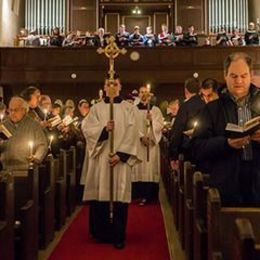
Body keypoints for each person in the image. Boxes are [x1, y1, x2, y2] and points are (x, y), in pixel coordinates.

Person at [192, 52, 260, 206]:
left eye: (243, 75)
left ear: (251, 75)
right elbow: (196, 148)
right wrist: (226, 144)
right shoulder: (211, 109)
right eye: (234, 76)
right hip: (226, 184)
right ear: (225, 75)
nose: (239, 81)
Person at [82, 74, 140, 249]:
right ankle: (101, 233)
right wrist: (103, 130)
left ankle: (118, 235)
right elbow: (86, 128)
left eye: (115, 83)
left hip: (119, 160)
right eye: (109, 84)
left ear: (120, 86)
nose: (112, 86)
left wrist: (121, 155)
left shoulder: (129, 108)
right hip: (102, 159)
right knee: (101, 195)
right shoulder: (96, 108)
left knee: (119, 197)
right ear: (104, 87)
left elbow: (133, 131)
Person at [131, 86, 164, 205]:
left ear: (149, 94)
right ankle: (137, 194)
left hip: (151, 145)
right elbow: (131, 126)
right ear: (138, 95)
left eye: (146, 92)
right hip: (138, 144)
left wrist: (152, 122)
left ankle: (149, 196)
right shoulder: (133, 110)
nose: (144, 94)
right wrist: (141, 137)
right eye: (141, 92)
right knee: (138, 168)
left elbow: (160, 125)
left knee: (149, 168)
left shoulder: (155, 110)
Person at [0, 97, 48, 171]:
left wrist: (36, 157)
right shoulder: (3, 125)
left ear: (24, 110)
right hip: (5, 168)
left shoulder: (33, 125)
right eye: (10, 110)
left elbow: (42, 145)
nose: (12, 113)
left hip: (26, 168)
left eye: (16, 110)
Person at [169, 77, 205, 169]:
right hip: (203, 148)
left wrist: (173, 155)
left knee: (186, 179)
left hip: (187, 149)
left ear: (186, 90)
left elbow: (177, 130)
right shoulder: (205, 104)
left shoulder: (185, 106)